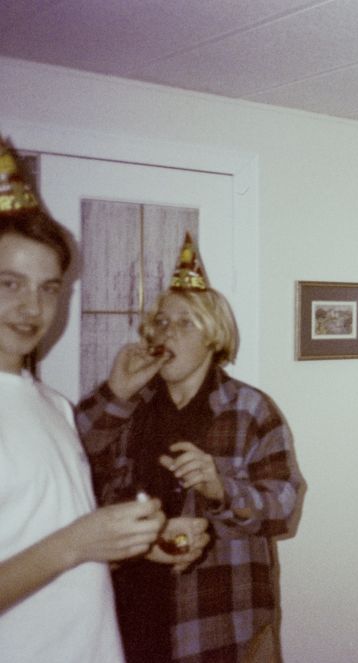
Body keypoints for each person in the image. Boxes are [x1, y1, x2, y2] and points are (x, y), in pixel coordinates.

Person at [76, 233, 305, 662]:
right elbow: (66, 458)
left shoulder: (250, 409)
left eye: (185, 323)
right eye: (161, 322)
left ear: (213, 337)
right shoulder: (129, 404)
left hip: (216, 616)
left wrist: (222, 489)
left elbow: (285, 510)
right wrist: (115, 392)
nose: (168, 333)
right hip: (127, 605)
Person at [0, 136, 173, 663]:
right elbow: (65, 545)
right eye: (9, 283)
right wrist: (79, 541)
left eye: (50, 288)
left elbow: (47, 547)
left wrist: (123, 547)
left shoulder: (51, 404)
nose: (33, 307)